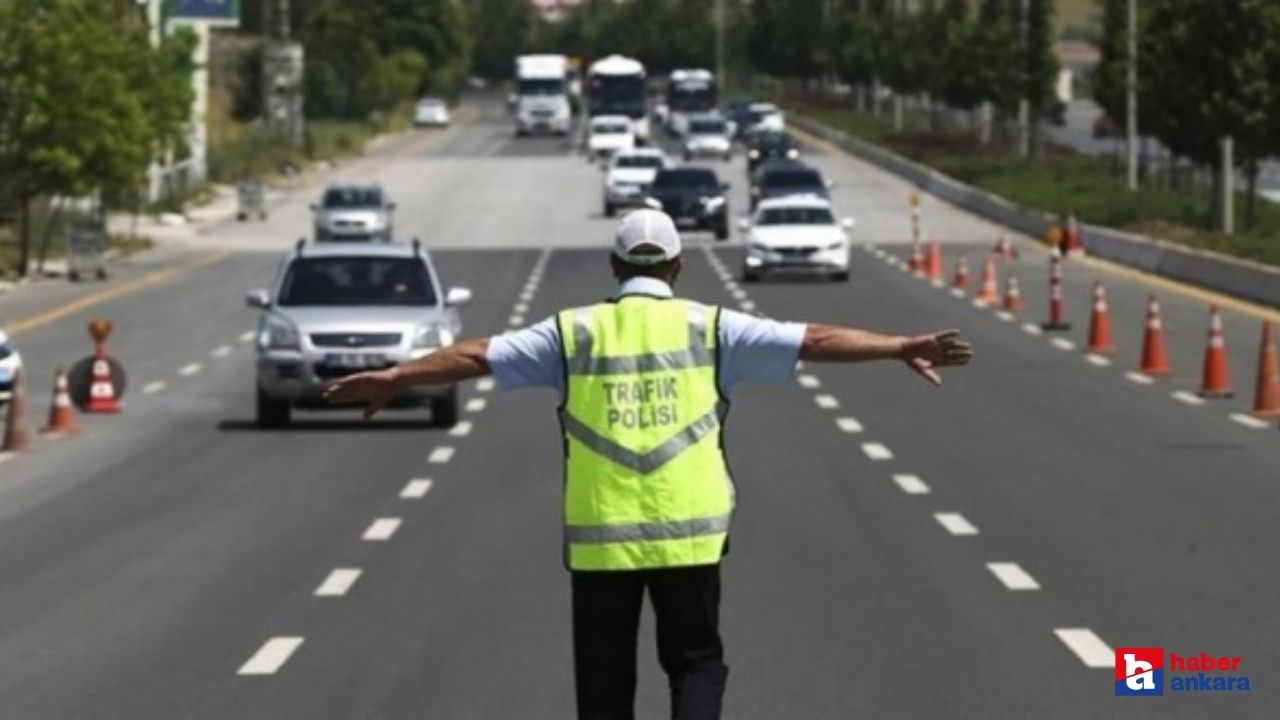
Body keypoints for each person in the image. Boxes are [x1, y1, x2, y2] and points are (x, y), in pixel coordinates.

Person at [323, 210, 974, 720]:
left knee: (605, 689)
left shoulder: (571, 333)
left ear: (612, 265)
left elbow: (475, 355)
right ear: (678, 266)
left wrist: (396, 376)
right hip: (690, 534)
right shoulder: (713, 327)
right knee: (695, 666)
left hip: (601, 542)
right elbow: (815, 340)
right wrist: (899, 345)